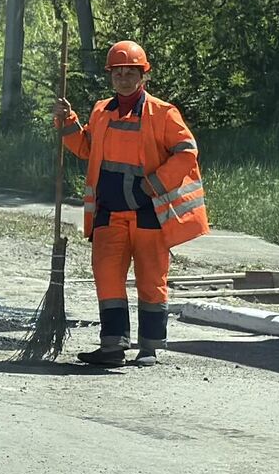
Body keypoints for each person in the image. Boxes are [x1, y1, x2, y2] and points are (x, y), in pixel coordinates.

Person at [52, 41, 208, 367]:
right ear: (111, 76)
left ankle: (149, 347)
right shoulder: (100, 111)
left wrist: (156, 183)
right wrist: (67, 123)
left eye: (130, 72)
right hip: (109, 213)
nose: (124, 78)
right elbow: (86, 148)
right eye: (118, 72)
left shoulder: (164, 114)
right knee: (107, 277)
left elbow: (186, 152)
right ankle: (112, 346)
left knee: (152, 280)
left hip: (149, 214)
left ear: (143, 75)